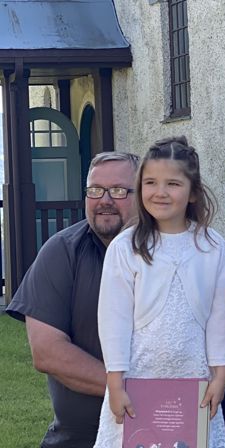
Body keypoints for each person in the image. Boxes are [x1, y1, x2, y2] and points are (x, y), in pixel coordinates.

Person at [93, 137, 225, 447]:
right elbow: (113, 321)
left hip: (193, 379)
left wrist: (220, 375)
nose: (160, 192)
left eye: (172, 183)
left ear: (194, 191)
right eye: (150, 183)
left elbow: (221, 319)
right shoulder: (125, 248)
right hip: (137, 378)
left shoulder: (212, 247)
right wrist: (115, 383)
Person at [5, 152, 139, 447]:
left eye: (118, 190)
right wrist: (130, 394)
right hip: (80, 438)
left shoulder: (180, 250)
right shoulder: (62, 251)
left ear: (142, 194)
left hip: (168, 425)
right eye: (95, 190)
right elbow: (47, 351)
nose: (104, 200)